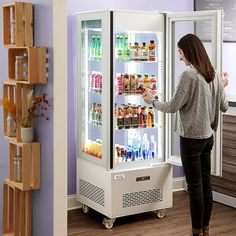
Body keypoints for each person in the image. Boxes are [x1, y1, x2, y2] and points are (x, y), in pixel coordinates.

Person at [142, 33, 229, 236]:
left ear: (188, 52)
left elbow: (173, 106)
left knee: (195, 186)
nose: (180, 57)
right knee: (206, 184)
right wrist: (222, 87)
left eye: (180, 52)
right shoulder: (213, 74)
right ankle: (205, 229)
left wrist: (152, 101)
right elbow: (223, 106)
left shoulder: (189, 75)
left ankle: (196, 232)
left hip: (191, 139)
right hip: (208, 138)